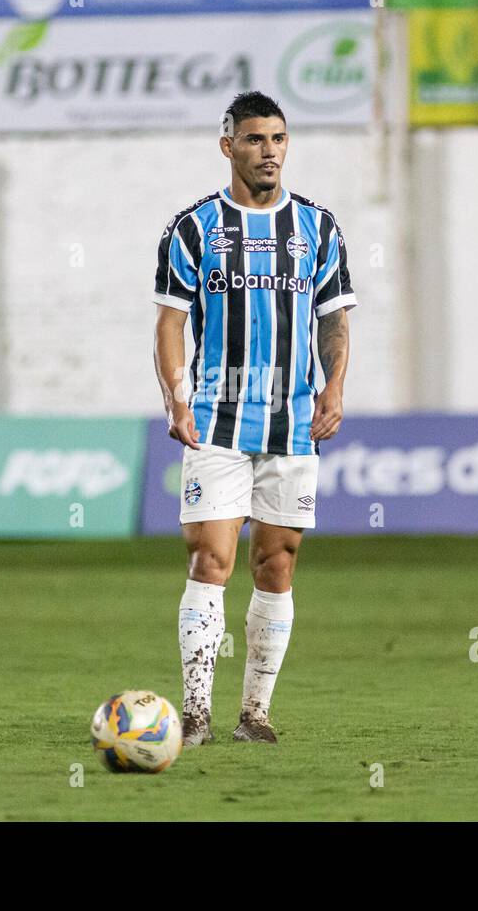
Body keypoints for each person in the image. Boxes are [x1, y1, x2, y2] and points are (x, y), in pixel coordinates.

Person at [151, 90, 357, 746]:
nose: (269, 152)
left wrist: (335, 390)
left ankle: (255, 715)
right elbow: (170, 322)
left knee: (277, 564)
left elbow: (335, 319)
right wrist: (177, 396)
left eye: (278, 139)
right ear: (228, 146)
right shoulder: (191, 229)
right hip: (216, 417)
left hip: (293, 423)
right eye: (255, 140)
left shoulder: (319, 229)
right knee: (211, 559)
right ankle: (194, 713)